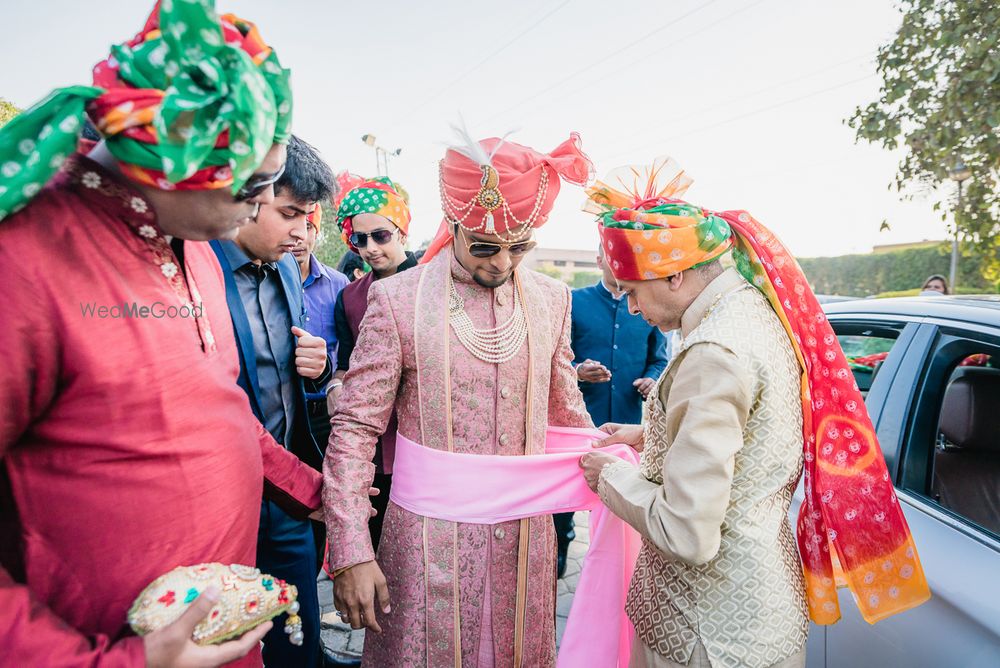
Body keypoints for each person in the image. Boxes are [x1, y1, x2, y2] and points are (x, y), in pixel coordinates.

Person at [0, 3, 323, 666]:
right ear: (173, 165)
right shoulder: (24, 259)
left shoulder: (193, 241)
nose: (265, 207)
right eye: (258, 185)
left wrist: (320, 495)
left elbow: (220, 409)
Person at [577, 159, 931, 667]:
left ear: (674, 274)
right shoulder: (759, 315)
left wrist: (609, 476)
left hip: (706, 631)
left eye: (632, 292)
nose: (632, 310)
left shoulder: (713, 351)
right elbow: (757, 436)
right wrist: (648, 434)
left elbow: (687, 533)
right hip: (761, 611)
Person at [323, 131, 594, 665]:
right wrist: (351, 552)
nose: (503, 263)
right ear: (456, 225)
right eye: (486, 247)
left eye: (521, 247)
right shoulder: (398, 299)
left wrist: (626, 457)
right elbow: (355, 429)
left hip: (524, 540)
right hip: (425, 542)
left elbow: (568, 416)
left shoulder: (551, 300)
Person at [210, 134, 337, 667]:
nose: (300, 232)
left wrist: (319, 364)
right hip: (225, 496)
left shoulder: (288, 269)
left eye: (308, 217)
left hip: (288, 491)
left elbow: (294, 372)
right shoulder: (198, 268)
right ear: (247, 192)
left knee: (298, 633)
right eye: (289, 213)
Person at [553, 245, 669, 576]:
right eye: (611, 257)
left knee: (617, 492)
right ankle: (561, 547)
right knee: (567, 488)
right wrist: (577, 370)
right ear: (600, 259)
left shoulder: (647, 306)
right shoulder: (574, 301)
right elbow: (557, 356)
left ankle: (608, 562)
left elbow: (659, 359)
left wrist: (651, 379)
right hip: (577, 416)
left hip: (626, 420)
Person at [328, 177, 416, 550]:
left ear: (402, 232)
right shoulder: (350, 297)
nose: (370, 248)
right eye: (359, 239)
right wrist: (335, 387)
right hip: (374, 447)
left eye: (380, 235)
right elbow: (345, 364)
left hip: (426, 442)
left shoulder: (435, 285)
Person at [285, 141, 348, 449]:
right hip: (284, 408)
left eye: (308, 225)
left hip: (326, 407)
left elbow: (349, 349)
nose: (298, 235)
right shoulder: (269, 279)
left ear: (316, 232)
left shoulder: (339, 284)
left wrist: (333, 378)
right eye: (289, 217)